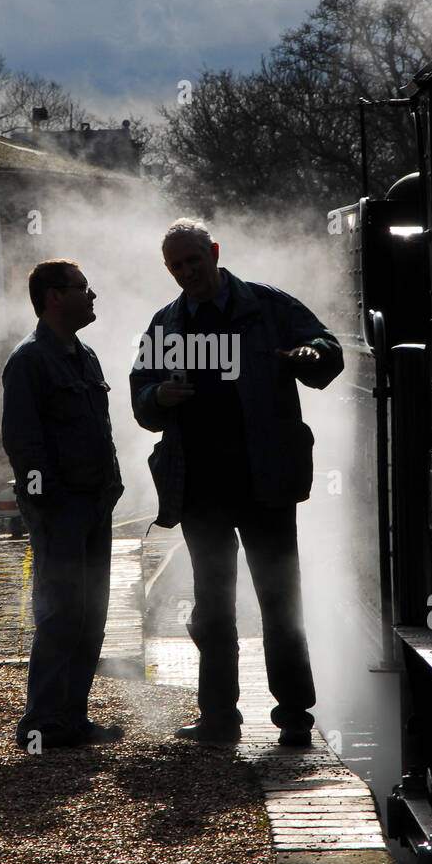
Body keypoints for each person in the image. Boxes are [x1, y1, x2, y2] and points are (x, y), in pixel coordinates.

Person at [130, 219, 344, 747]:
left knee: (279, 598)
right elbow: (141, 395)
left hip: (264, 479)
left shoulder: (267, 306)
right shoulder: (165, 324)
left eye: (193, 260)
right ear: (169, 269)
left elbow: (326, 348)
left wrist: (312, 355)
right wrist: (159, 397)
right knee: (213, 602)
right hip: (201, 487)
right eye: (177, 265)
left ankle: (294, 713)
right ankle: (219, 716)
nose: (187, 272)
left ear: (214, 253)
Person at [1, 259, 124, 751]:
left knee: (91, 613)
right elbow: (22, 441)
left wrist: (109, 489)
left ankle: (72, 717)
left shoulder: (85, 354)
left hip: (94, 503)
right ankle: (42, 722)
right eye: (82, 288)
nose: (91, 295)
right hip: (61, 509)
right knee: (60, 613)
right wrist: (45, 504)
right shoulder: (30, 360)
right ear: (54, 297)